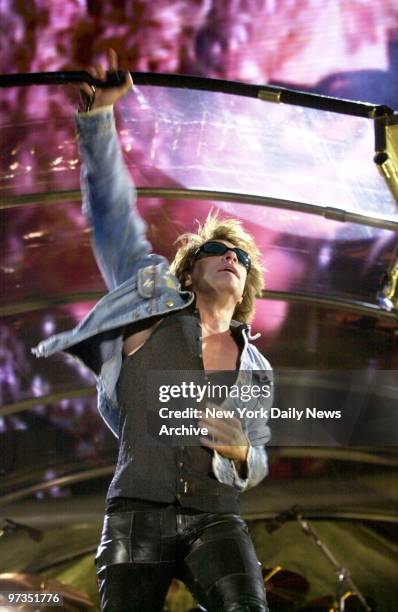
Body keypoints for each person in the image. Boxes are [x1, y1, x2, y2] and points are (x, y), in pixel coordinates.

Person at [33, 49, 273, 612]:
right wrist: (97, 119)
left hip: (218, 516)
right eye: (215, 249)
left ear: (247, 286)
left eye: (239, 255)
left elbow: (258, 459)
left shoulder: (255, 365)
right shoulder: (152, 299)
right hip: (138, 510)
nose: (228, 257)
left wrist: (240, 453)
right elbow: (112, 212)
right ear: (188, 270)